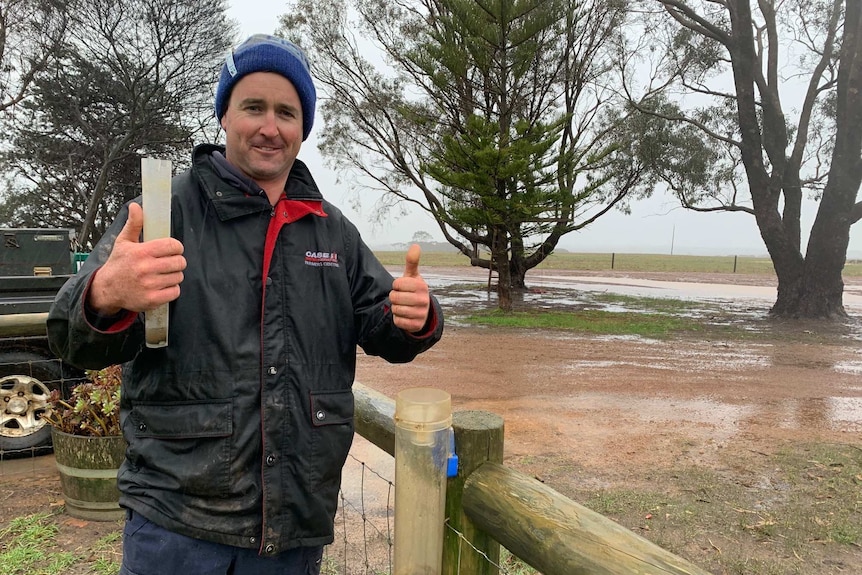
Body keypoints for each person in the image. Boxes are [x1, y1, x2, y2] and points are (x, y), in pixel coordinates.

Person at [47, 34, 443, 575]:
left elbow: (387, 331)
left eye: (286, 111)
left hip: (292, 526)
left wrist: (414, 316)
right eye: (253, 107)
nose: (269, 126)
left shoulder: (331, 229)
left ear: (303, 128)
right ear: (224, 116)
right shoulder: (163, 215)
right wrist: (104, 294)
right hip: (176, 524)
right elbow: (70, 337)